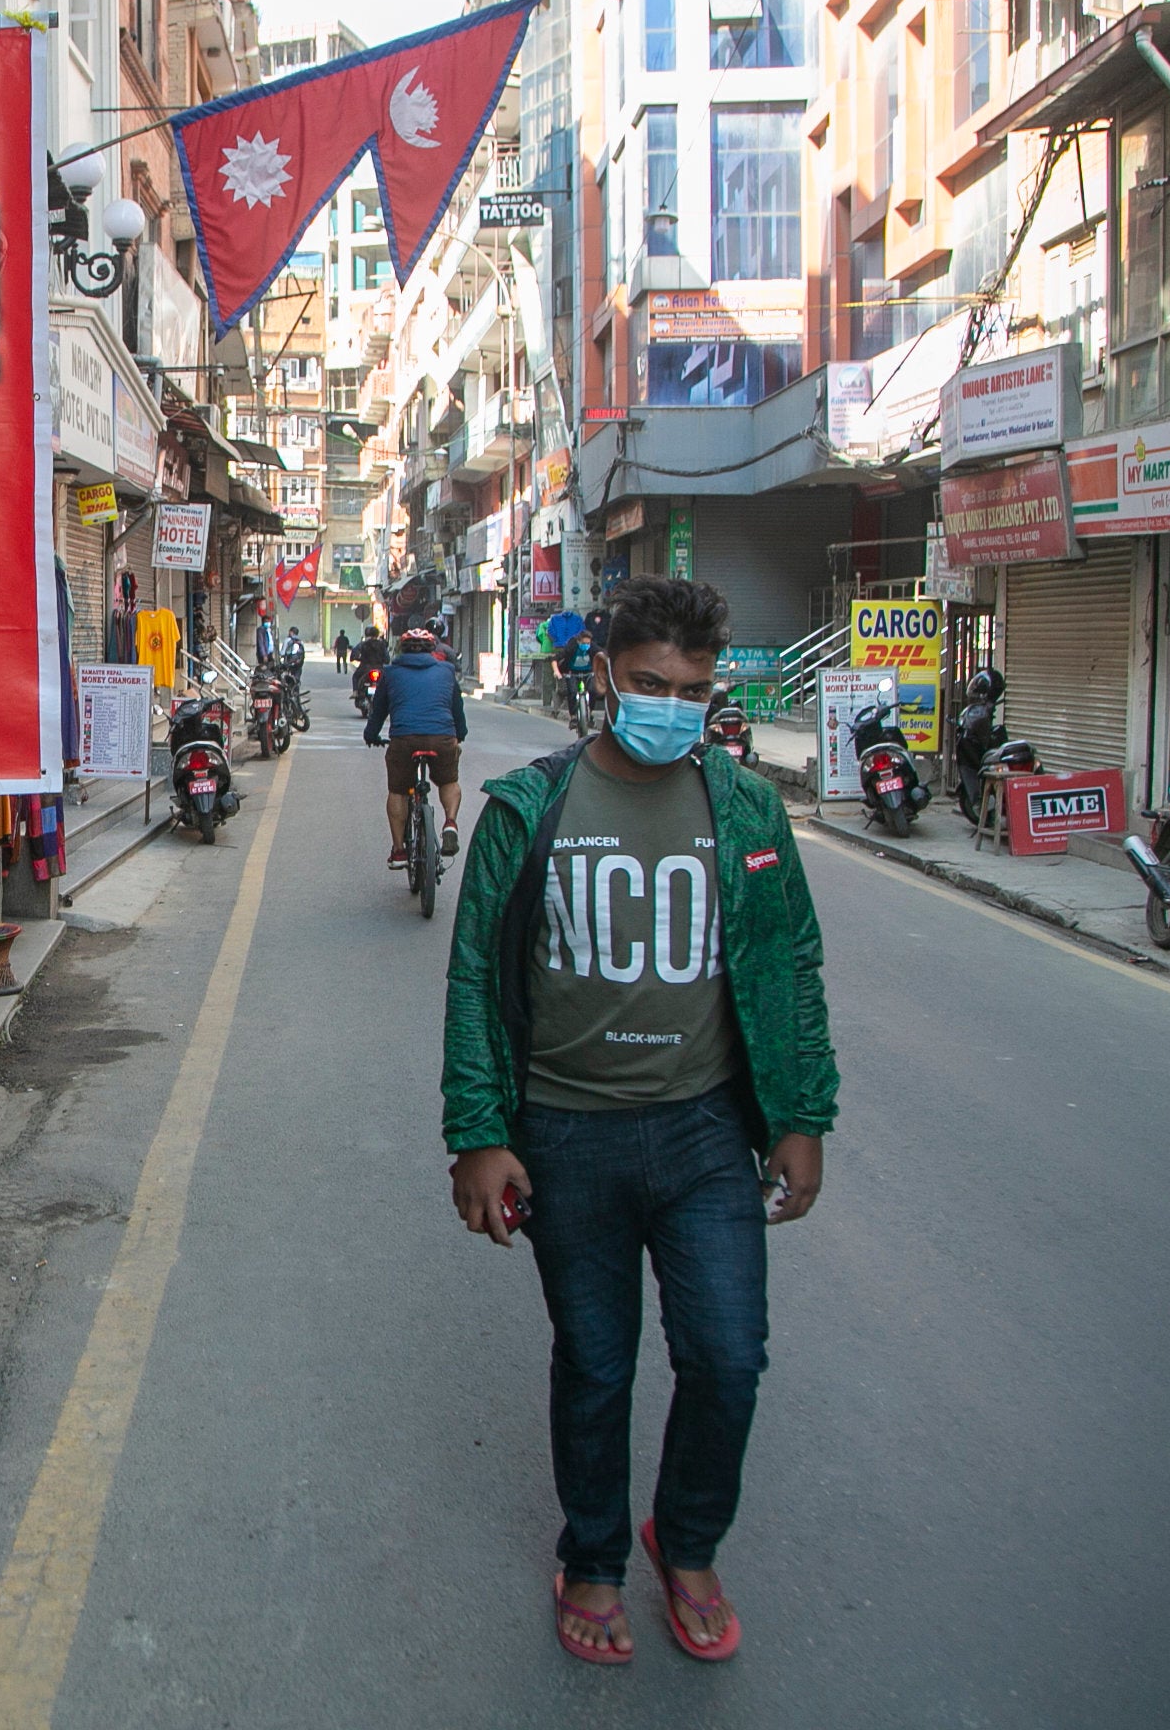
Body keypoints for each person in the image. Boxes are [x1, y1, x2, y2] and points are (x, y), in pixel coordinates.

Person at [438, 574, 837, 1668]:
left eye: (695, 689)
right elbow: (477, 977)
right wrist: (478, 1134)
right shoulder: (531, 810)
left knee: (728, 1357)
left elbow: (790, 962)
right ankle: (597, 1557)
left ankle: (688, 1539)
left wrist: (803, 1116)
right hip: (566, 1136)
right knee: (598, 1363)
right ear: (605, 675)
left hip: (709, 1135)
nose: (673, 705)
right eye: (651, 682)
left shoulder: (746, 807)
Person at [362, 627, 467, 866]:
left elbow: (378, 710)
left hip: (404, 739)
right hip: (442, 738)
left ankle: (399, 850)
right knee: (449, 781)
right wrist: (459, 734)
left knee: (398, 791)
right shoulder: (447, 671)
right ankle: (450, 822)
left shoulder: (390, 673)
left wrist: (371, 734)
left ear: (401, 650)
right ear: (433, 650)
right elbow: (456, 709)